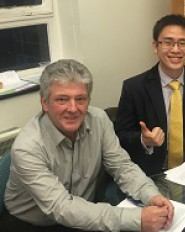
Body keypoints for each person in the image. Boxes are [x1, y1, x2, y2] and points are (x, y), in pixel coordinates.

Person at [0, 59, 174, 232]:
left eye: (80, 99)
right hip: (31, 222)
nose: (73, 108)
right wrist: (137, 219)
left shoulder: (99, 120)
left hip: (84, 212)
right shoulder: (27, 147)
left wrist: (151, 195)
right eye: (62, 99)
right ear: (44, 102)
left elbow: (122, 167)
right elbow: (61, 208)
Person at [115, 14, 185, 176]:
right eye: (167, 42)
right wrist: (144, 140)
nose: (175, 49)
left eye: (183, 43)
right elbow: (120, 135)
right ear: (155, 46)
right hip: (148, 174)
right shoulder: (134, 87)